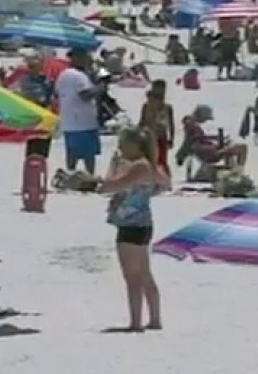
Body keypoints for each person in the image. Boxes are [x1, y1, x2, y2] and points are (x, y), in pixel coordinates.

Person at [97, 127, 170, 332]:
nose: (120, 148)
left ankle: (136, 322)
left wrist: (113, 169)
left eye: (123, 144)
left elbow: (109, 187)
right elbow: (165, 184)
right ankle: (154, 319)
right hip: (142, 222)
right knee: (144, 273)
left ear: (135, 145)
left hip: (131, 224)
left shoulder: (139, 166)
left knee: (132, 277)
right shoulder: (149, 166)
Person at [57, 47, 107, 175]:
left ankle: (70, 175)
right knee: (88, 155)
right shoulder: (78, 76)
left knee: (72, 153)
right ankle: (90, 177)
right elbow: (85, 95)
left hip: (69, 122)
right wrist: (100, 88)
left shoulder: (63, 74)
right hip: (83, 122)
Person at [176, 104, 249, 169]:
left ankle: (232, 169)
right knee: (242, 147)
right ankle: (239, 170)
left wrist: (217, 140)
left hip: (210, 151)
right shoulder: (191, 125)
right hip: (210, 154)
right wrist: (215, 141)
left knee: (230, 146)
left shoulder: (193, 126)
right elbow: (194, 142)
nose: (205, 121)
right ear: (201, 115)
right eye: (205, 119)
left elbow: (198, 139)